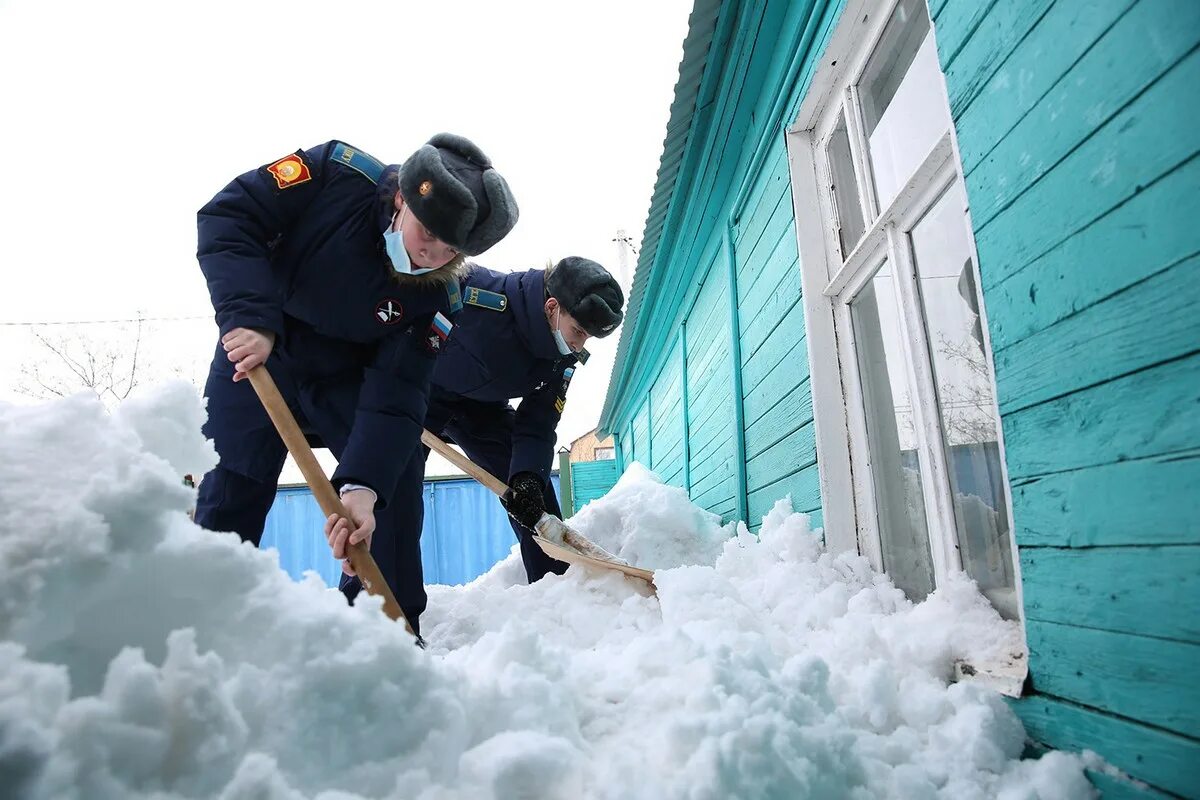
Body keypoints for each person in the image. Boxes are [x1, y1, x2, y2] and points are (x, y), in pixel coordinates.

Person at [193, 134, 517, 636]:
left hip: (348, 380)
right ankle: (202, 620)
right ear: (401, 199)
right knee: (234, 476)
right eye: (425, 232)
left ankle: (384, 632)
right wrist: (249, 316)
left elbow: (399, 392)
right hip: (263, 344)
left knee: (393, 480)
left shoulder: (440, 296)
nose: (430, 254)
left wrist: (362, 487)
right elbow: (230, 216)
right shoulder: (334, 174)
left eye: (449, 248)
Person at [341, 256, 624, 609]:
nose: (580, 345)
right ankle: (368, 609)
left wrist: (526, 478)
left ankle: (558, 598)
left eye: (588, 337)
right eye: (578, 332)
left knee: (534, 496)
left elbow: (537, 422)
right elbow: (401, 316)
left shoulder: (562, 354)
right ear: (552, 307)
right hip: (422, 390)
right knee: (392, 494)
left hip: (482, 408)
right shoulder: (475, 293)